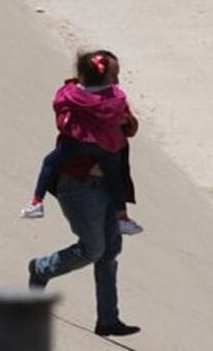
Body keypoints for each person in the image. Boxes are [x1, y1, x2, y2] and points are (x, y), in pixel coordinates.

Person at [27, 55, 141, 339]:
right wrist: (102, 120)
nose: (117, 79)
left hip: (109, 185)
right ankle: (41, 269)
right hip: (78, 185)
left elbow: (130, 129)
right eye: (114, 73)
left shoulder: (115, 99)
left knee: (110, 251)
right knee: (92, 249)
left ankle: (108, 320)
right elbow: (67, 129)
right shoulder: (72, 100)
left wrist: (125, 120)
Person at [20, 51, 143, 236]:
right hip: (106, 148)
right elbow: (124, 121)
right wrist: (119, 122)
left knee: (50, 162)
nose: (117, 81)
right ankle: (123, 218)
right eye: (114, 75)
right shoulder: (115, 98)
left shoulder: (71, 94)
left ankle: (36, 202)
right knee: (116, 179)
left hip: (78, 143)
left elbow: (61, 114)